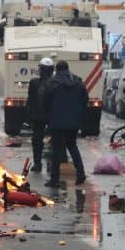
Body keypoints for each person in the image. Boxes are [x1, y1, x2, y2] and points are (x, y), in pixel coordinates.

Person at [43, 60, 87, 189]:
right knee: (72, 147)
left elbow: (45, 102)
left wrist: (49, 117)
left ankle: (54, 179)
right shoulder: (78, 82)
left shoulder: (52, 83)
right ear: (68, 69)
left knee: (56, 150)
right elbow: (85, 100)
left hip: (57, 122)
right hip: (73, 122)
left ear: (56, 69)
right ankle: (80, 174)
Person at [26, 58, 55, 173]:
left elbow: (30, 100)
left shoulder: (34, 83)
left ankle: (38, 164)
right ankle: (50, 165)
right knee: (53, 141)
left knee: (37, 141)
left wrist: (28, 116)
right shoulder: (54, 83)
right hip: (50, 116)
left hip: (38, 116)